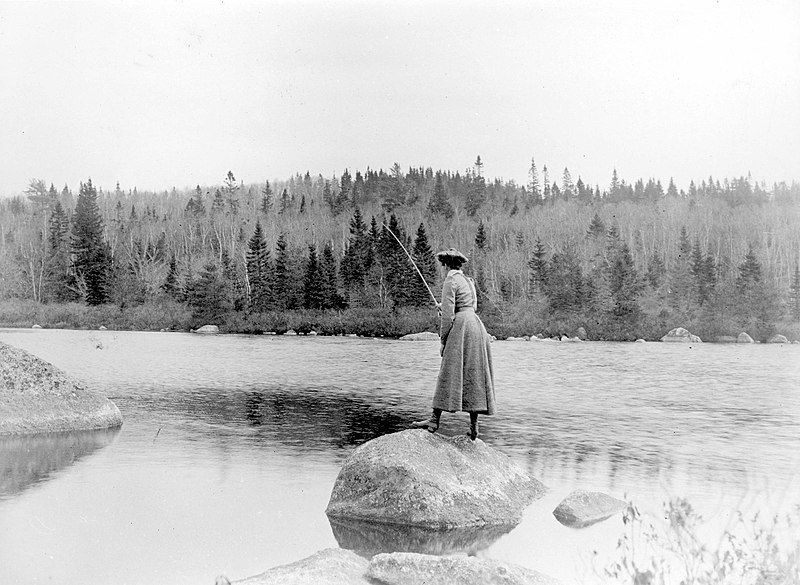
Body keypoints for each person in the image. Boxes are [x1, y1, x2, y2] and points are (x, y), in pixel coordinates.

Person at [411, 248, 495, 440]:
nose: (442, 268)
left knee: (448, 371)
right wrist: (447, 307)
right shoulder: (468, 281)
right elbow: (470, 306)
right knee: (474, 374)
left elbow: (448, 316)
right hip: (475, 326)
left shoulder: (450, 280)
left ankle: (434, 420)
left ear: (446, 264)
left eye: (442, 264)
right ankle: (474, 427)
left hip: (461, 328)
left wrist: (443, 340)